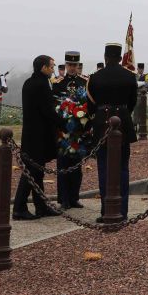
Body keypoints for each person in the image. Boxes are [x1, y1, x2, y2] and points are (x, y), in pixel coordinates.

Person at [88, 43, 138, 220]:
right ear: (120, 58)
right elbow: (133, 101)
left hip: (102, 120)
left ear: (105, 57)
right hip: (123, 120)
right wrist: (122, 113)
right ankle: (122, 210)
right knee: (123, 168)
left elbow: (91, 105)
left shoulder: (95, 78)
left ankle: (106, 209)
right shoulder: (129, 76)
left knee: (103, 168)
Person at [13, 54, 61, 221]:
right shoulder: (40, 84)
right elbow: (48, 110)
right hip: (38, 136)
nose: (53, 69)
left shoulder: (30, 82)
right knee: (31, 172)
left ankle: (41, 206)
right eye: (51, 66)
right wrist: (63, 123)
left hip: (32, 134)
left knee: (37, 172)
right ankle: (19, 207)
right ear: (43, 67)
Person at [54, 52, 93, 209]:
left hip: (79, 131)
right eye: (69, 65)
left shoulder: (84, 81)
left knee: (77, 165)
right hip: (63, 131)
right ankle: (63, 199)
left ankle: (74, 197)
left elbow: (89, 103)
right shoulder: (58, 82)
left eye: (74, 65)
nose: (71, 68)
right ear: (66, 65)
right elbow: (55, 104)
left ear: (78, 66)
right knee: (63, 165)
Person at [134, 62, 148, 139]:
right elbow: (134, 84)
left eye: (142, 69)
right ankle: (135, 126)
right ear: (137, 69)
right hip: (137, 96)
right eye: (140, 69)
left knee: (142, 112)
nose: (141, 70)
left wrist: (143, 83)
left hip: (143, 97)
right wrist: (143, 83)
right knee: (136, 112)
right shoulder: (134, 76)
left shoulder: (146, 76)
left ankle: (141, 127)